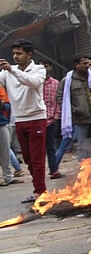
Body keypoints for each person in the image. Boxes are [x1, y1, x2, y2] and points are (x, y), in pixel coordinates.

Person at [0, 39, 47, 203]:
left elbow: (32, 82)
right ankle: (39, 189)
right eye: (14, 53)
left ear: (29, 54)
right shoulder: (7, 72)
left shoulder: (38, 69)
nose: (15, 56)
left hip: (36, 118)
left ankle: (40, 191)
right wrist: (9, 71)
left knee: (37, 158)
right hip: (19, 120)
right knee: (27, 158)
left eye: (19, 53)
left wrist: (12, 71)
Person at [57, 55, 91, 161]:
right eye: (84, 64)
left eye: (88, 64)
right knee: (82, 149)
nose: (87, 66)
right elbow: (60, 98)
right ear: (76, 65)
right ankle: (84, 174)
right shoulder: (68, 81)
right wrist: (74, 110)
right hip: (80, 121)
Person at [41, 61, 62, 179]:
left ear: (50, 68)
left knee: (51, 147)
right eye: (41, 66)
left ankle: (54, 170)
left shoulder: (55, 83)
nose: (44, 69)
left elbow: (58, 101)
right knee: (38, 150)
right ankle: (38, 173)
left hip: (51, 120)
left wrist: (56, 117)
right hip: (37, 120)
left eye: (46, 66)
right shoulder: (34, 83)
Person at [0, 87, 23, 186]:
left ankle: (8, 177)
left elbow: (7, 105)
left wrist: (3, 105)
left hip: (2, 123)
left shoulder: (0, 88)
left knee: (5, 150)